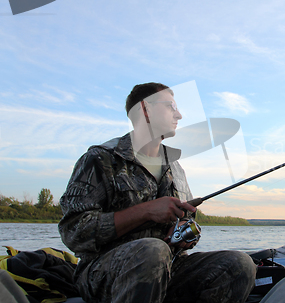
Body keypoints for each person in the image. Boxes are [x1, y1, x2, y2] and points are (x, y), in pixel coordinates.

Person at [58, 82, 256, 303]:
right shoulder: (100, 159)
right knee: (152, 251)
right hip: (104, 273)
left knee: (240, 264)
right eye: (171, 106)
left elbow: (188, 219)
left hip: (172, 267)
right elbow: (73, 231)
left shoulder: (176, 167)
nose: (179, 115)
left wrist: (188, 233)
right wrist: (146, 212)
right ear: (145, 109)